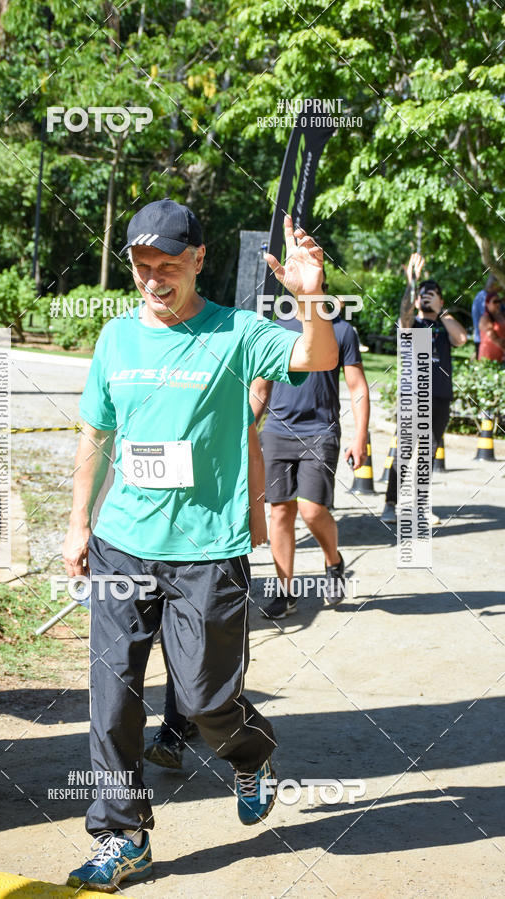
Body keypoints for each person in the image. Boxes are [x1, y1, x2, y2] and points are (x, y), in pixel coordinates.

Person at [62, 199, 338, 892]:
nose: (154, 278)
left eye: (169, 265)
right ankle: (122, 836)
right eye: (142, 265)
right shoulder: (115, 338)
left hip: (208, 550)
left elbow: (316, 355)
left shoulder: (237, 332)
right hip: (123, 542)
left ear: (198, 260)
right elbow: (95, 433)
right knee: (111, 694)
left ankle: (250, 753)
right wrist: (77, 522)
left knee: (206, 698)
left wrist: (310, 298)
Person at [144, 419, 267, 770]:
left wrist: (256, 510)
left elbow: (251, 435)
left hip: (207, 543)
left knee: (195, 655)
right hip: (138, 539)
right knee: (160, 647)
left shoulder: (221, 393)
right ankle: (172, 731)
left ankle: (237, 749)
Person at [249, 292, 370, 619]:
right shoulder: (276, 329)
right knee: (280, 511)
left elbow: (357, 387)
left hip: (320, 431)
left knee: (312, 510)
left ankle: (333, 562)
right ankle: (285, 592)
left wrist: (360, 436)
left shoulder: (341, 330)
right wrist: (245, 428)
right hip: (277, 430)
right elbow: (261, 387)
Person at [381, 253, 467, 524]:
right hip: (412, 396)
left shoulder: (443, 326)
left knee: (428, 453)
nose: (425, 297)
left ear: (441, 299)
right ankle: (391, 504)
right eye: (422, 294)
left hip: (439, 396)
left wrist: (441, 311)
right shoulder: (413, 324)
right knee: (405, 452)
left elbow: (461, 339)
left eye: (432, 294)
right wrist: (411, 283)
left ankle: (420, 507)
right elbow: (404, 315)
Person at [472, 275, 502, 358]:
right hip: (485, 341)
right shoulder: (483, 297)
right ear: (493, 285)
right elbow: (490, 319)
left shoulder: (490, 296)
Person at [478, 293, 505, 363]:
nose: (498, 304)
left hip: (501, 356)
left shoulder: (501, 315)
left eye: (499, 301)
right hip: (489, 356)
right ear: (487, 303)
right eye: (495, 301)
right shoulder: (485, 318)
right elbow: (494, 338)